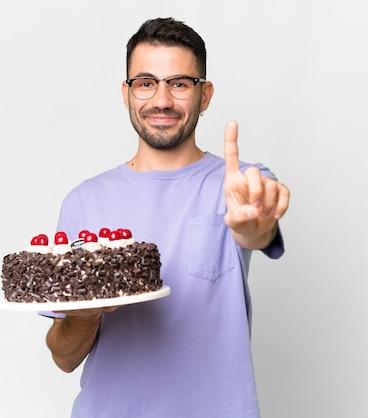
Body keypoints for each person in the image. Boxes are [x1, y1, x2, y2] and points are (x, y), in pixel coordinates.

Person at [45, 17, 290, 418]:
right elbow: (63, 357)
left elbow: (257, 229)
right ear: (126, 93)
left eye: (179, 83)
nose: (161, 99)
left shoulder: (241, 184)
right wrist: (83, 317)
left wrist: (255, 227)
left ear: (205, 95)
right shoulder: (83, 202)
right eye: (145, 82)